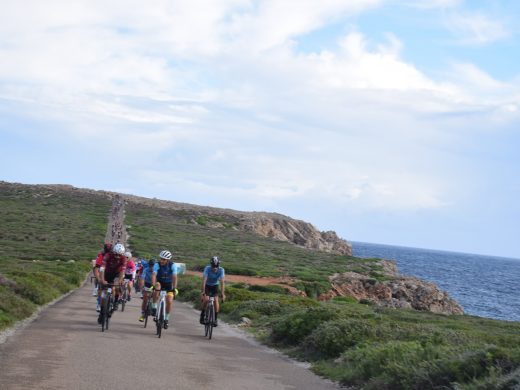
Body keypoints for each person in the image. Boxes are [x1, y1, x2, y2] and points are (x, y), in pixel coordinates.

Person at [95, 242, 127, 323]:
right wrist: (102, 280)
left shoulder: (123, 258)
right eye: (116, 254)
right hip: (107, 273)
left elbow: (122, 272)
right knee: (103, 295)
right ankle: (102, 312)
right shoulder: (108, 255)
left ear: (122, 254)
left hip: (116, 273)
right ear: (113, 252)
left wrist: (119, 281)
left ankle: (116, 301)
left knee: (116, 285)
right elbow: (102, 268)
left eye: (120, 255)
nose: (117, 256)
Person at [151, 250, 178, 329]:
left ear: (168, 260)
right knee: (157, 288)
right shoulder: (157, 264)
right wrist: (153, 285)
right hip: (160, 282)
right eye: (161, 259)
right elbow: (154, 274)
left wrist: (174, 288)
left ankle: (166, 319)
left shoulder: (172, 265)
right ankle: (154, 307)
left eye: (164, 259)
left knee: (169, 301)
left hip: (169, 285)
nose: (161, 260)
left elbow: (174, 277)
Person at [200, 256, 225, 326]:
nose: (215, 268)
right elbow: (204, 280)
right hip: (207, 285)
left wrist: (223, 294)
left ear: (218, 265)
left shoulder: (221, 270)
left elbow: (222, 282)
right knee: (206, 299)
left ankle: (215, 319)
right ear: (211, 265)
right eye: (213, 266)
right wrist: (203, 292)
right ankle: (202, 315)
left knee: (216, 301)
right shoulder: (207, 269)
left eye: (216, 266)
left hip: (215, 286)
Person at [138, 257, 156, 322]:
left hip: (155, 285)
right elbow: (142, 278)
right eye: (150, 266)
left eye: (153, 266)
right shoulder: (146, 270)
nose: (151, 267)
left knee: (156, 295)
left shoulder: (157, 270)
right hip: (147, 284)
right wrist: (142, 287)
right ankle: (143, 314)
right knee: (145, 298)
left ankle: (155, 308)